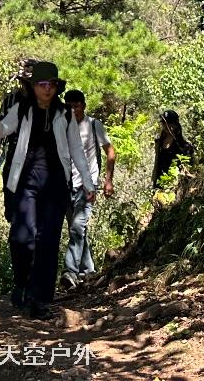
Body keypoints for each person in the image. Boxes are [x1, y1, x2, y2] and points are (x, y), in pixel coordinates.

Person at [0, 61, 102, 320]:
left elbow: (76, 149)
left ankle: (39, 299)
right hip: (24, 181)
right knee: (21, 238)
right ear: (33, 87)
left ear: (57, 87)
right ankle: (22, 283)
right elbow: (0, 130)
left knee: (48, 242)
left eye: (51, 84)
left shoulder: (64, 114)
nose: (47, 89)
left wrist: (88, 183)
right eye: (42, 84)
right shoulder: (22, 109)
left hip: (56, 185)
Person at [61, 88, 114, 289]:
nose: (73, 109)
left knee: (77, 227)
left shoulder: (93, 125)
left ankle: (70, 272)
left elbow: (110, 151)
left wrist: (108, 181)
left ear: (83, 105)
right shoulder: (62, 125)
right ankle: (89, 271)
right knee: (77, 230)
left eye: (76, 105)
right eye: (69, 106)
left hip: (88, 185)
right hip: (67, 185)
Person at [152, 109, 194, 190]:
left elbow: (188, 168)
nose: (166, 126)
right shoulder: (159, 142)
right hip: (159, 184)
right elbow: (157, 163)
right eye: (164, 123)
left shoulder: (184, 146)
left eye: (169, 123)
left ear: (176, 125)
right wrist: (154, 182)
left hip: (175, 185)